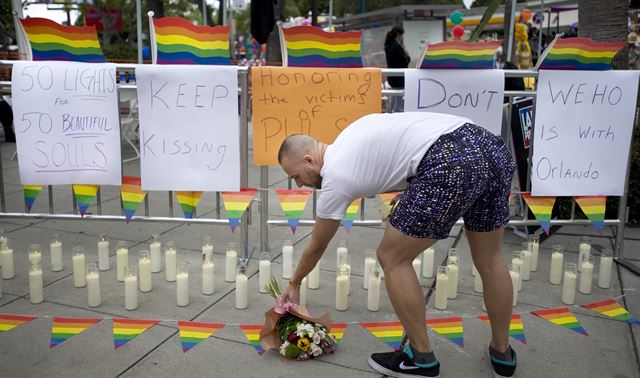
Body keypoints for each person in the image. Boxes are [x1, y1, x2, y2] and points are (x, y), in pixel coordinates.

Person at [278, 112, 517, 378]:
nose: (299, 184)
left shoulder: (335, 176)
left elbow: (318, 245)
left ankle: (422, 359)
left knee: (392, 257)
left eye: (296, 175)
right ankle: (502, 353)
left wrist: (295, 282)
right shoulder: (350, 134)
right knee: (490, 261)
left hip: (448, 160)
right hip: (490, 147)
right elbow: (404, 149)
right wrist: (411, 193)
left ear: (309, 160)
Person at [384, 26, 411, 113]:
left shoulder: (389, 45)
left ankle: (389, 115)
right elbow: (403, 61)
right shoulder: (396, 46)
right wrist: (407, 56)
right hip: (399, 79)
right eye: (401, 34)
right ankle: (396, 116)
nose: (402, 37)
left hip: (392, 78)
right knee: (398, 101)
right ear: (398, 34)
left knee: (392, 100)